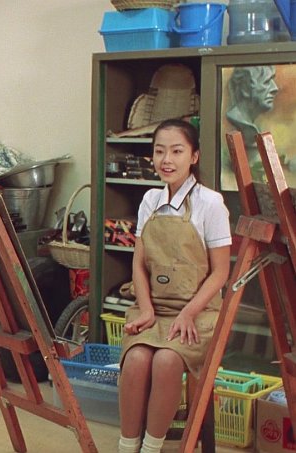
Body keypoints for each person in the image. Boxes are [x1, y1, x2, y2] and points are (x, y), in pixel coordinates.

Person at [117, 119, 232, 453]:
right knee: (136, 360)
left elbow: (221, 273)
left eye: (177, 151)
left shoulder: (211, 203)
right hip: (154, 308)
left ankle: (151, 448)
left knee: (167, 362)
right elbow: (139, 264)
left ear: (194, 156)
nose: (166, 160)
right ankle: (127, 447)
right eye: (159, 151)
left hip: (198, 312)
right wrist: (146, 309)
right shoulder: (150, 200)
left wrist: (188, 313)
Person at [225, 65, 278, 166]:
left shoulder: (258, 126)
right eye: (267, 82)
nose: (275, 88)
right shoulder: (237, 122)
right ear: (245, 88)